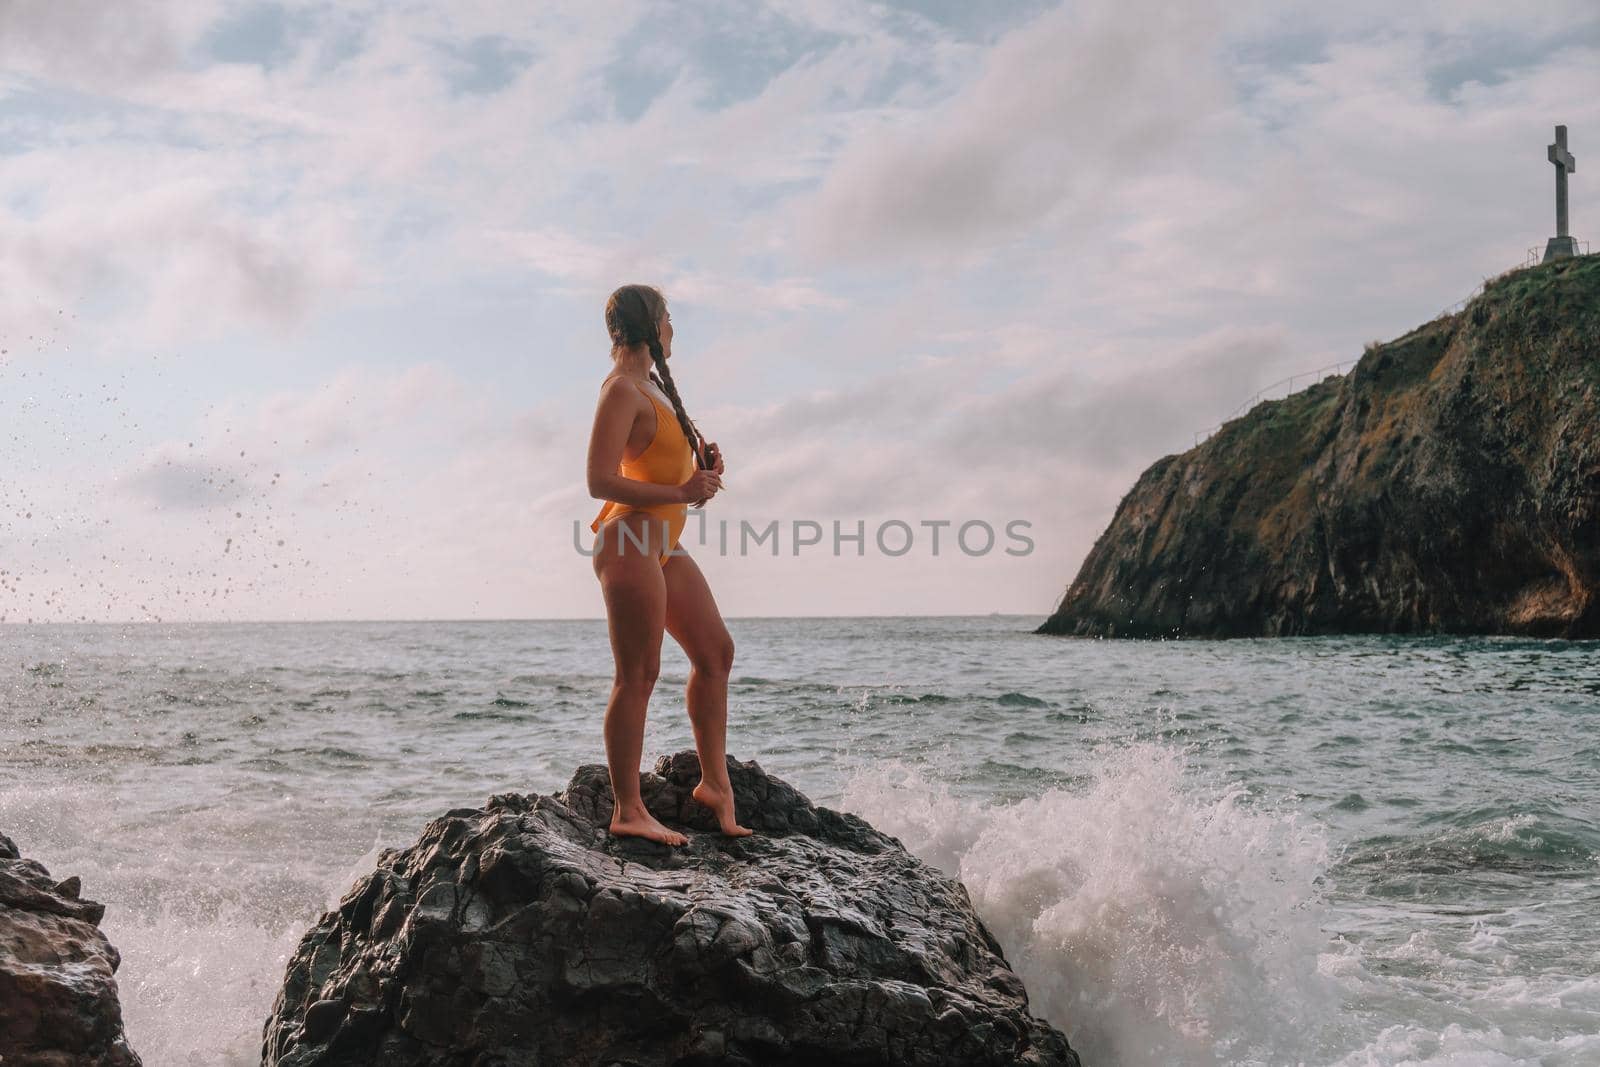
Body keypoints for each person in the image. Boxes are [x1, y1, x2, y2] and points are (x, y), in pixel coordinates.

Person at [585, 283, 752, 844]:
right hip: (628, 540)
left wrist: (699, 472)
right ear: (651, 326)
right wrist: (683, 491)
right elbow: (598, 481)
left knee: (716, 653)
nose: (674, 329)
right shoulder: (621, 392)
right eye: (669, 318)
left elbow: (663, 475)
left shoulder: (651, 388)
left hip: (662, 544)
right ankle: (628, 809)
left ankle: (715, 785)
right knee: (638, 674)